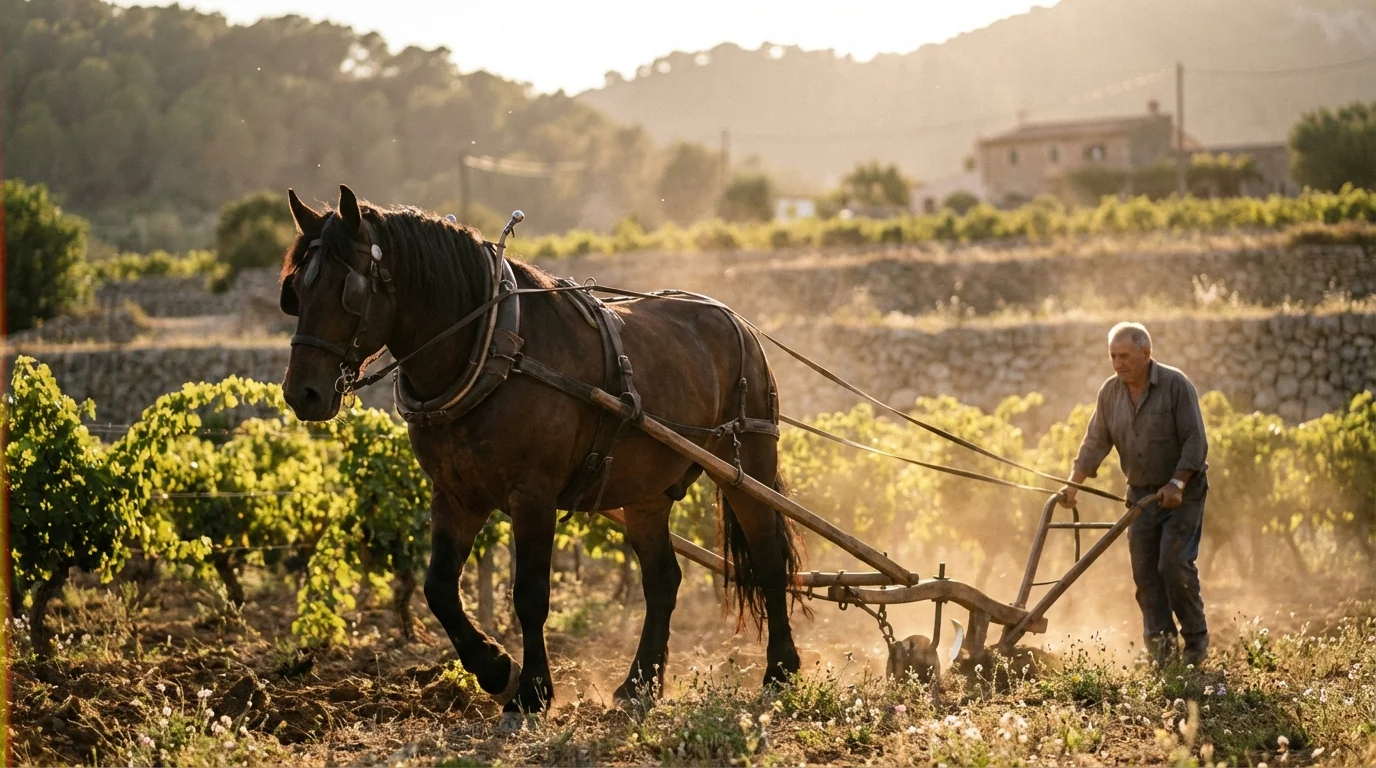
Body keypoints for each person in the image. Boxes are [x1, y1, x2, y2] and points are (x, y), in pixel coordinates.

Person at [1059, 322, 1210, 667]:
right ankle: (1161, 651)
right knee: (1145, 573)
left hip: (1182, 493)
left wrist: (1177, 484)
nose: (1117, 364)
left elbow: (1195, 441)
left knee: (1173, 564)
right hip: (1141, 496)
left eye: (1124, 356)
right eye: (1112, 356)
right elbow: (1096, 441)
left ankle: (1196, 644)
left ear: (1146, 353)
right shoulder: (1110, 393)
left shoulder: (1175, 386)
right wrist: (1073, 484)